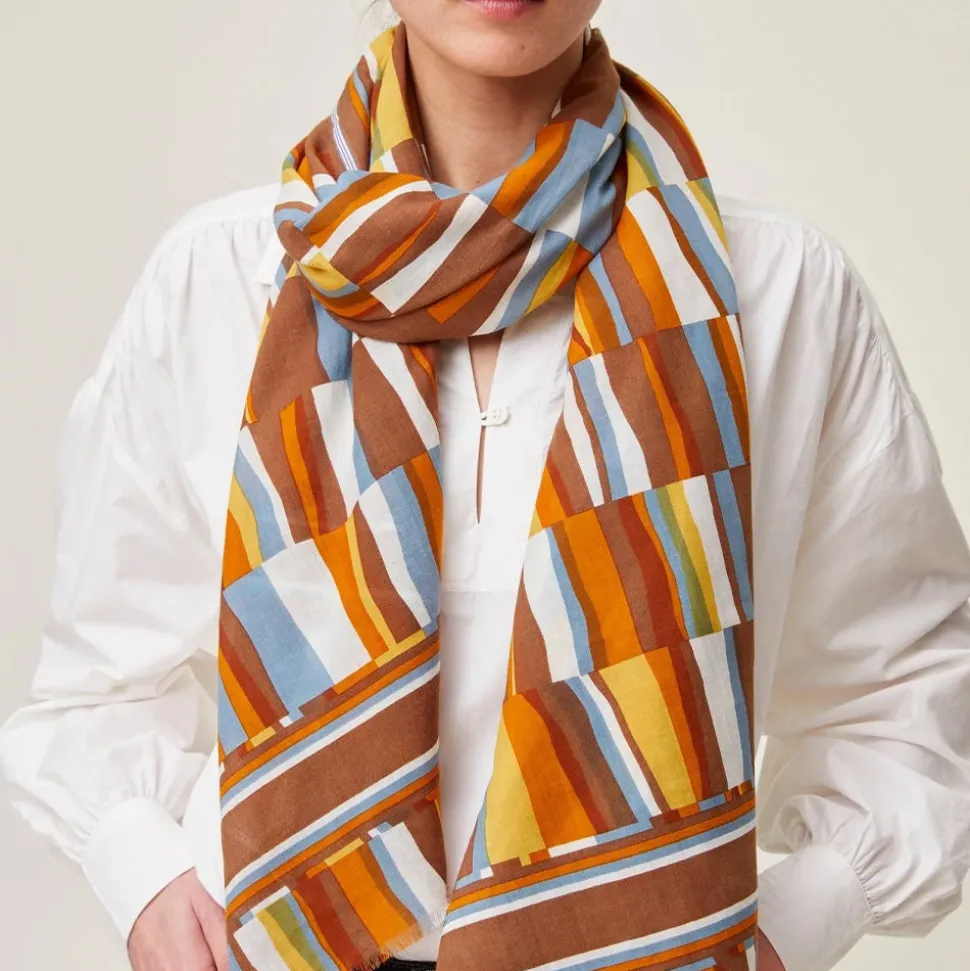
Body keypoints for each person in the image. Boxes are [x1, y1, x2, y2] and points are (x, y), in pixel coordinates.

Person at [4, 1, 970, 970]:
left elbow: (908, 686)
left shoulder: (782, 290)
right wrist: (144, 874)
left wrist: (777, 930)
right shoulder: (217, 278)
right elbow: (101, 678)